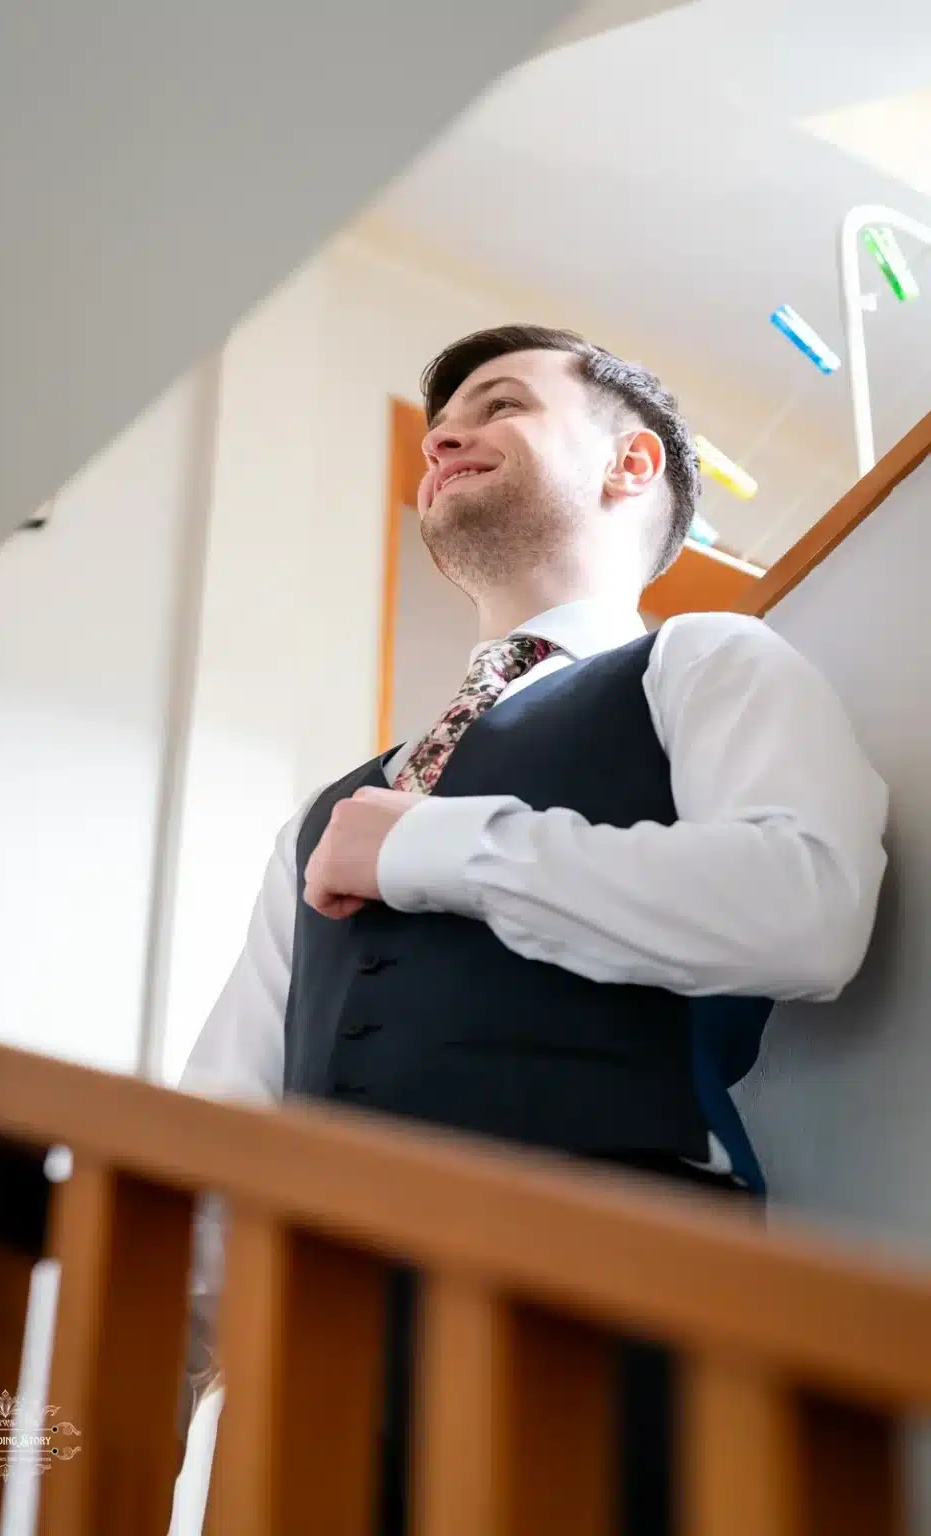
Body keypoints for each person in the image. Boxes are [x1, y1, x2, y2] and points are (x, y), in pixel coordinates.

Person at [180, 324, 888, 1534]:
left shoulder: (705, 662)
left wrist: (436, 847)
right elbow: (225, 1120)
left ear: (629, 468)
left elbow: (805, 903)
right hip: (313, 1365)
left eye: (498, 404)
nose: (444, 434)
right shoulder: (327, 810)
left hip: (602, 1313)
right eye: (438, 423)